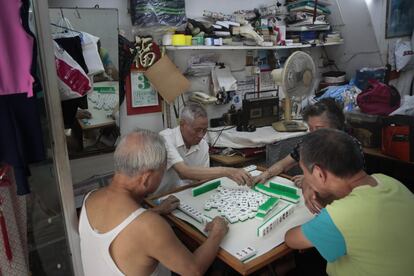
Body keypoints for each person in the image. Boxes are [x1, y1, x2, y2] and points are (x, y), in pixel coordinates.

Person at [79, 130, 229, 276]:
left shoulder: (90, 198)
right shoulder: (150, 226)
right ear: (146, 179)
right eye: (162, 173)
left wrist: (156, 210)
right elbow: (193, 270)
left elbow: (122, 228)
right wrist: (218, 233)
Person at [285, 129, 414, 276]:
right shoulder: (388, 181)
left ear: (319, 174)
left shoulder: (339, 217)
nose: (305, 179)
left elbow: (291, 239)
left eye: (304, 171)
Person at [253, 98, 345, 213]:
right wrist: (266, 174)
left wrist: (310, 181)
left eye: (319, 129)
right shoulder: (308, 142)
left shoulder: (348, 148)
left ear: (336, 127)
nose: (313, 134)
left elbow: (344, 186)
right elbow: (284, 164)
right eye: (310, 128)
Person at [155, 102, 253, 196]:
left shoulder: (203, 145)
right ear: (182, 124)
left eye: (204, 130)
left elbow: (203, 179)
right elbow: (184, 172)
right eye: (197, 130)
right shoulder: (165, 138)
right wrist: (227, 171)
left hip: (187, 193)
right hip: (160, 196)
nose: (201, 135)